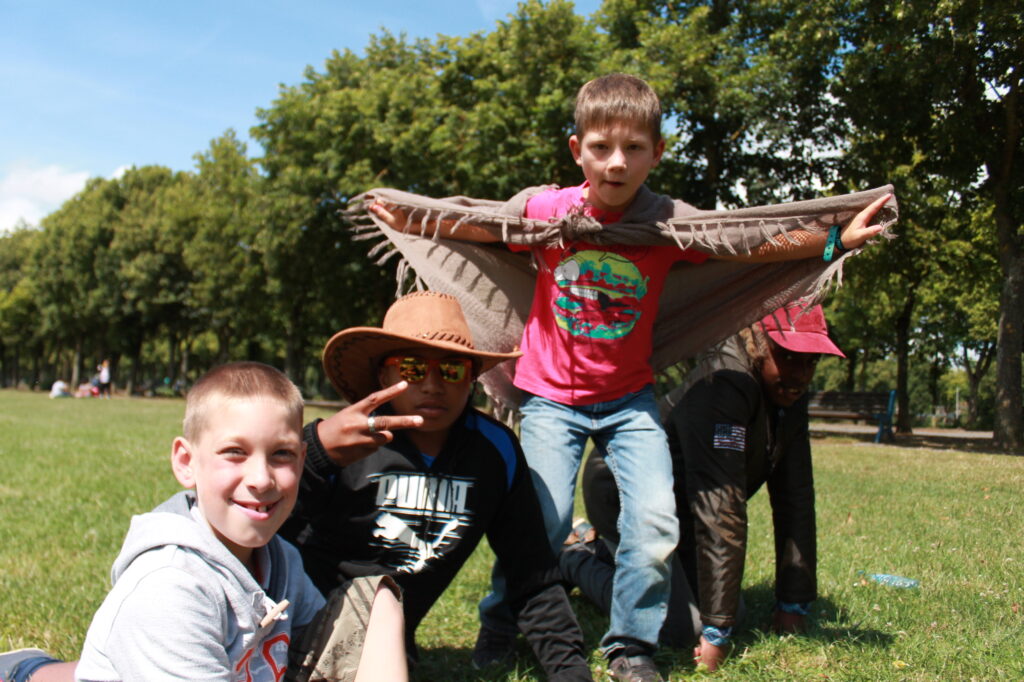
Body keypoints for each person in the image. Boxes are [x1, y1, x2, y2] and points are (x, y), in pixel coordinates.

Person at [368, 73, 890, 682]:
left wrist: (831, 240)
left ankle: (629, 646)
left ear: (657, 153)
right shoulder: (549, 210)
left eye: (634, 149)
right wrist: (415, 221)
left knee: (655, 522)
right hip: (550, 400)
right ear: (577, 150)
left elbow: (748, 243)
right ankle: (502, 621)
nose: (616, 163)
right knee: (541, 522)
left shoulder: (670, 221)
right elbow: (492, 227)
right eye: (601, 148)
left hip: (628, 400)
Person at [0, 362, 407, 682]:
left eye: (281, 454)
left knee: (378, 602)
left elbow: (321, 653)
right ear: (186, 462)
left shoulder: (281, 559)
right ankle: (23, 671)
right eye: (234, 452)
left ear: (302, 461)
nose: (261, 479)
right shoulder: (169, 589)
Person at [280, 291, 594, 681]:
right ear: (384, 376)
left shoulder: (495, 453)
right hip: (292, 620)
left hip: (383, 635)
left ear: (472, 378)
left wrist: (572, 674)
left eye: (451, 369)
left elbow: (532, 576)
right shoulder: (340, 440)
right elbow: (262, 535)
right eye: (411, 367)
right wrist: (313, 454)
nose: (432, 384)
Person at [563, 302, 843, 673]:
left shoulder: (788, 391)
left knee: (733, 611)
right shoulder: (724, 384)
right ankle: (573, 560)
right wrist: (717, 630)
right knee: (682, 626)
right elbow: (720, 506)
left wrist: (793, 602)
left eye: (811, 361)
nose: (801, 374)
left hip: (685, 508)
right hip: (621, 492)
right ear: (759, 343)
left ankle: (605, 551)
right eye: (789, 356)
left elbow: (796, 497)